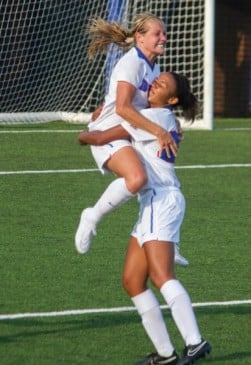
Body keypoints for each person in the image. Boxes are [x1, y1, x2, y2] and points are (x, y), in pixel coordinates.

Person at [76, 71, 212, 365]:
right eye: (155, 80)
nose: (153, 85)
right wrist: (106, 111)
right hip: (154, 203)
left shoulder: (159, 119)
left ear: (172, 100)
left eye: (161, 85)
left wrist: (91, 134)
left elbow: (109, 132)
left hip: (162, 201)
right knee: (132, 281)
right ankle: (165, 355)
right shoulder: (153, 116)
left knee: (162, 276)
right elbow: (123, 112)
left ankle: (195, 342)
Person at [75, 13, 188, 266]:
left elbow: (138, 103)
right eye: (157, 34)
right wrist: (158, 131)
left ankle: (168, 240)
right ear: (140, 38)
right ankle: (91, 216)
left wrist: (170, 121)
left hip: (131, 131)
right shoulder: (132, 63)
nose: (164, 38)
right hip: (110, 133)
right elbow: (124, 108)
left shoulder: (152, 65)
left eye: (164, 33)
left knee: (161, 180)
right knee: (137, 178)